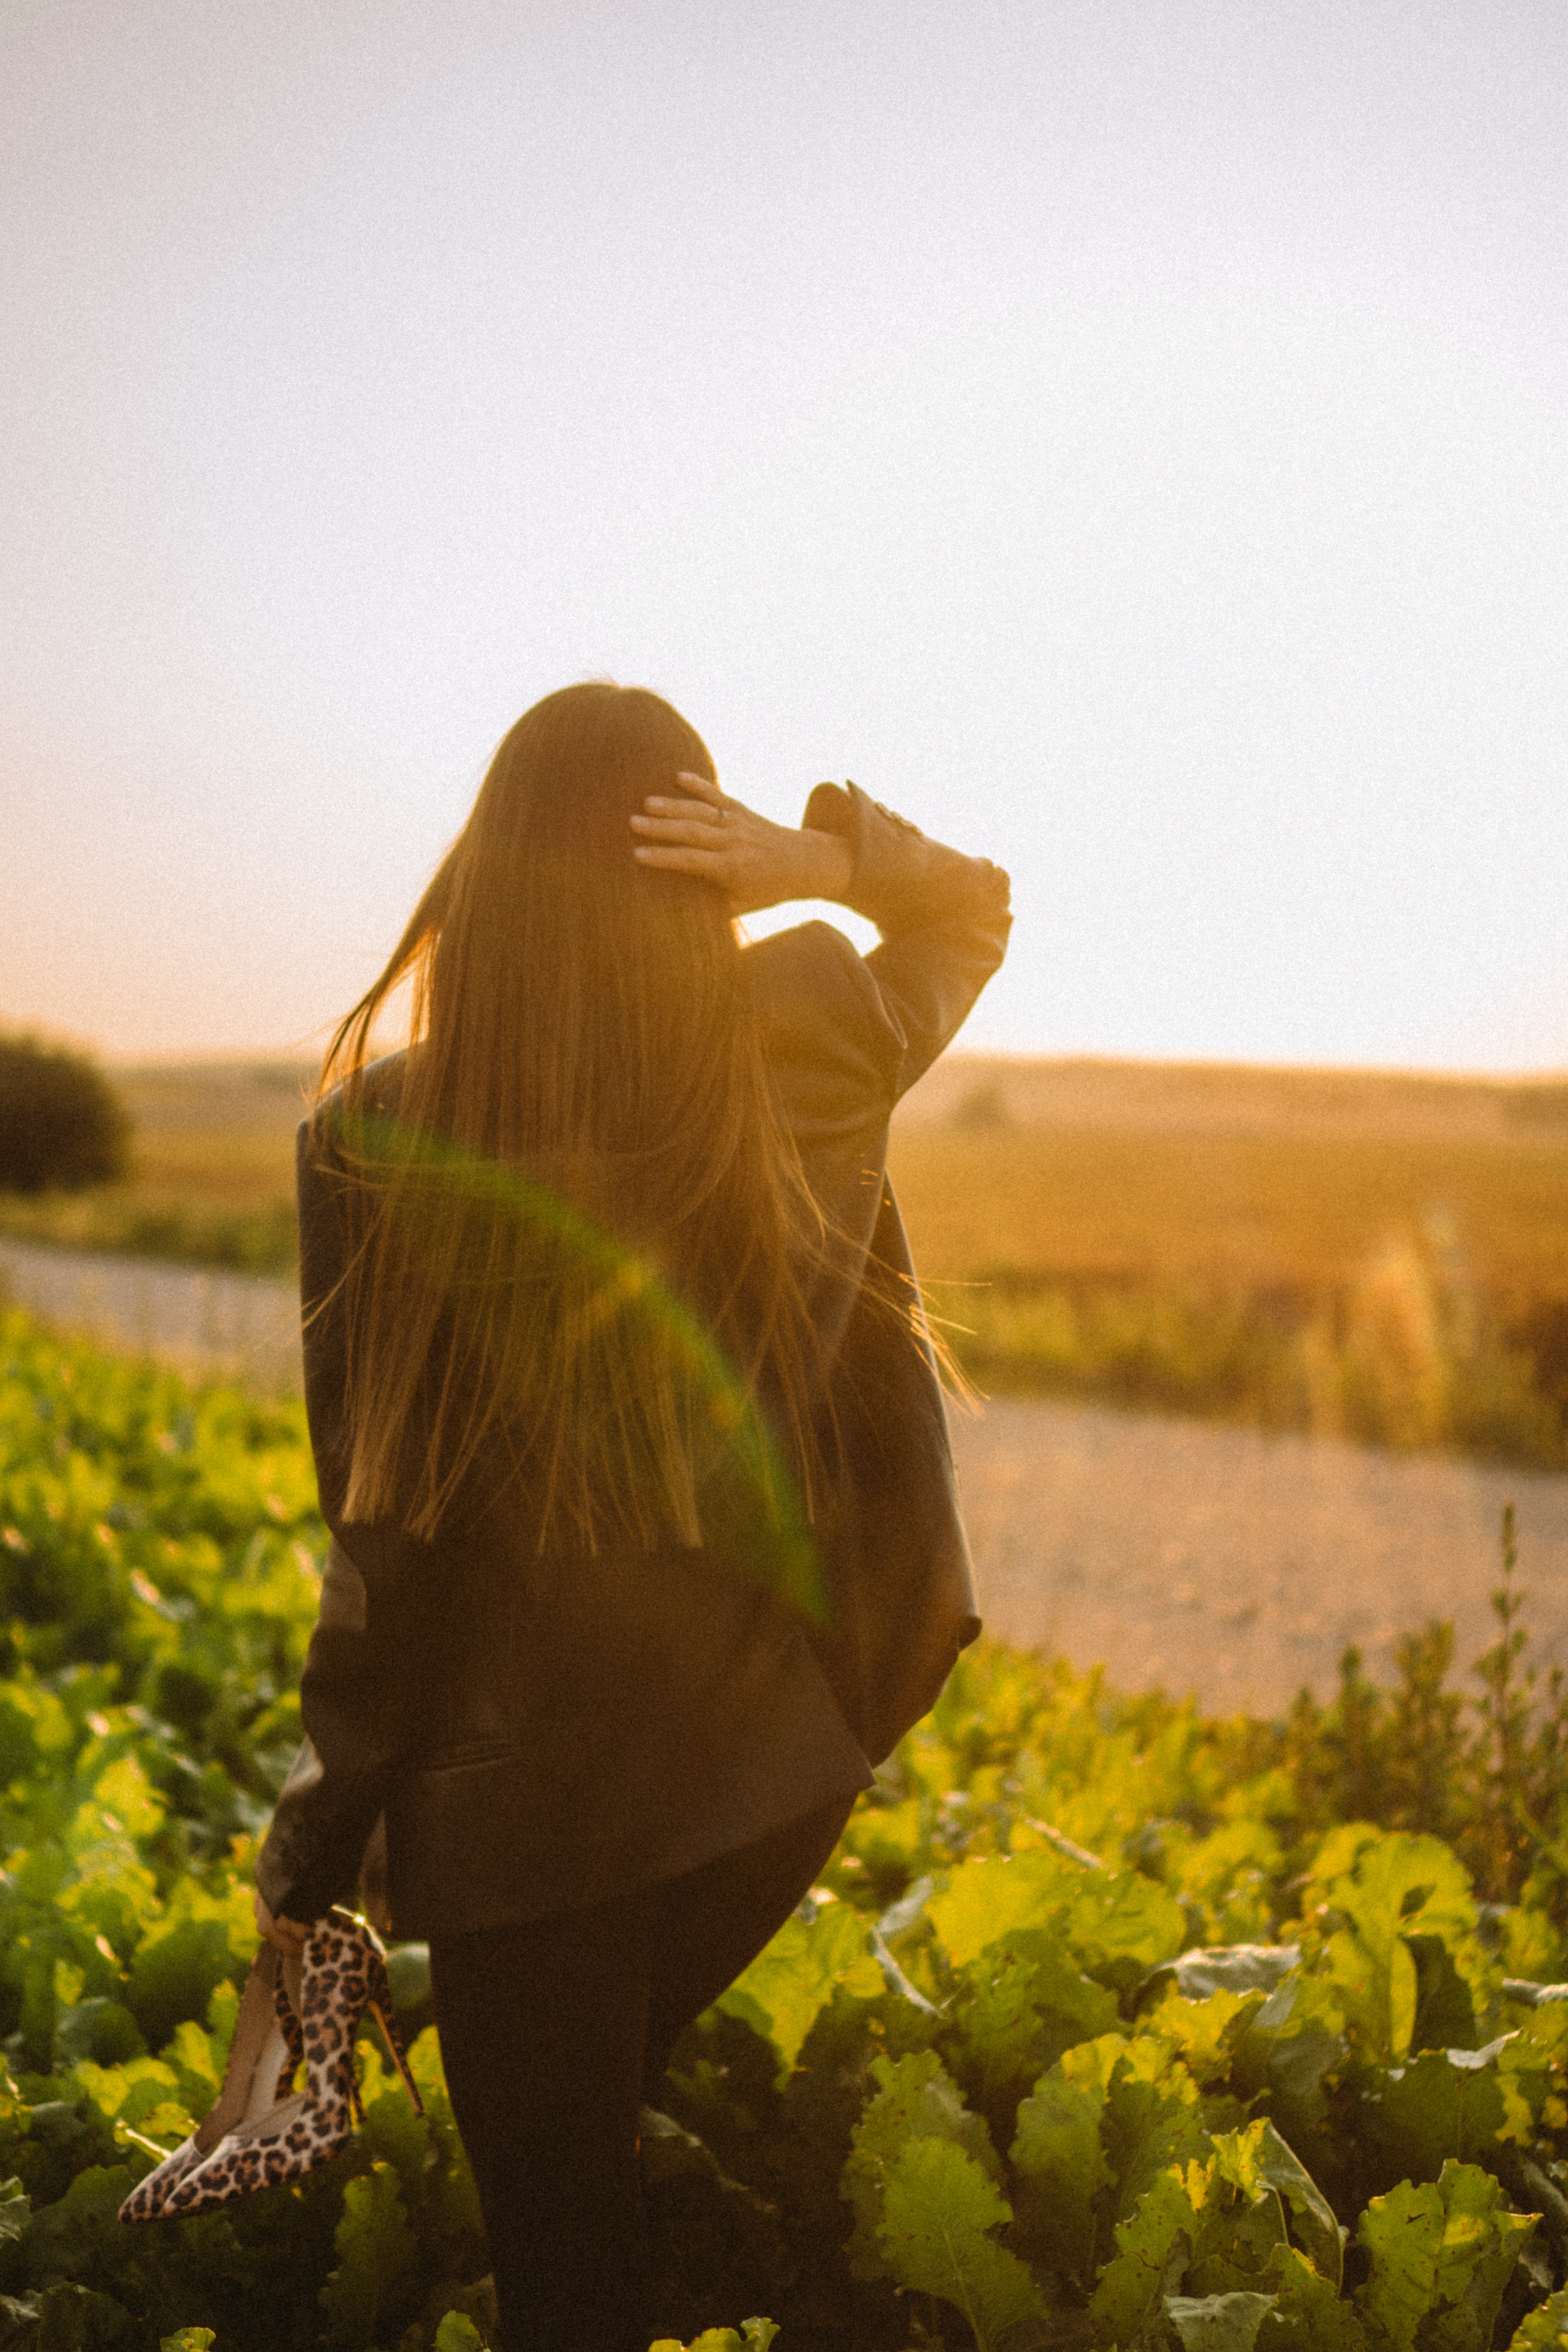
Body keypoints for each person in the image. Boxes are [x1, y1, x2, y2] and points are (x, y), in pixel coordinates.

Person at [252, 682, 1010, 2352]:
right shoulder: (803, 1019)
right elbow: (974, 908)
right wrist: (814, 857)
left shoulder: (369, 1140)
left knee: (566, 2255)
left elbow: (381, 1547)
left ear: (487, 869)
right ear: (694, 861)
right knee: (591, 2163)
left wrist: (308, 1863)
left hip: (528, 1834)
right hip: (768, 1771)